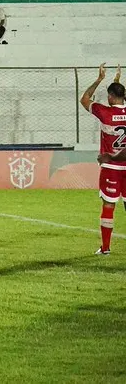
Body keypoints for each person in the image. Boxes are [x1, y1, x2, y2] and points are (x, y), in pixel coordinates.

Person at [80, 64, 126, 255]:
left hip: (111, 166)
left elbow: (84, 99)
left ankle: (106, 248)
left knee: (109, 205)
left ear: (109, 97)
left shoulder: (104, 112)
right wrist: (117, 82)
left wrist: (99, 79)